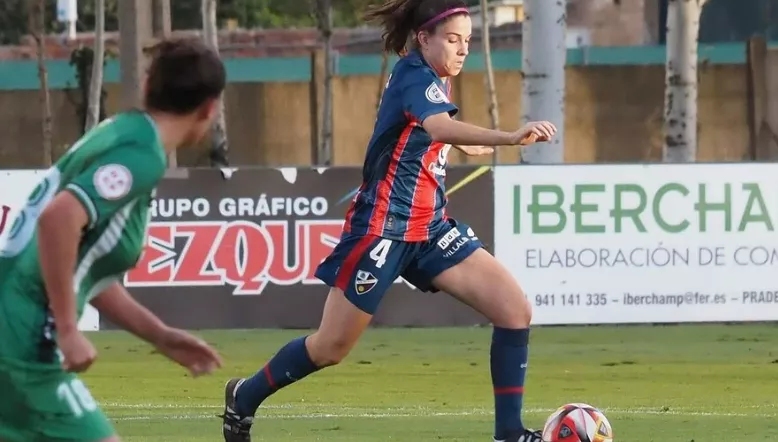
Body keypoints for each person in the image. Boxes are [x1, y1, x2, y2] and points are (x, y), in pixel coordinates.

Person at [220, 0, 557, 441]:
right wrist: (508, 137)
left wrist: (457, 144)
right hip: (382, 228)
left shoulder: (436, 76)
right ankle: (244, 396)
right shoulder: (413, 74)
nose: (462, 50)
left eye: (467, 41)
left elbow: (417, 130)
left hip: (431, 229)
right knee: (330, 347)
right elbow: (438, 126)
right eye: (453, 40)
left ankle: (509, 433)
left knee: (514, 309)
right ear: (423, 38)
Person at [0, 38, 227, 442]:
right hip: (24, 337)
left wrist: (159, 335)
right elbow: (59, 219)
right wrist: (68, 330)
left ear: (147, 85)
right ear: (210, 108)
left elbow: (82, 269)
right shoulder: (141, 154)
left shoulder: (122, 133)